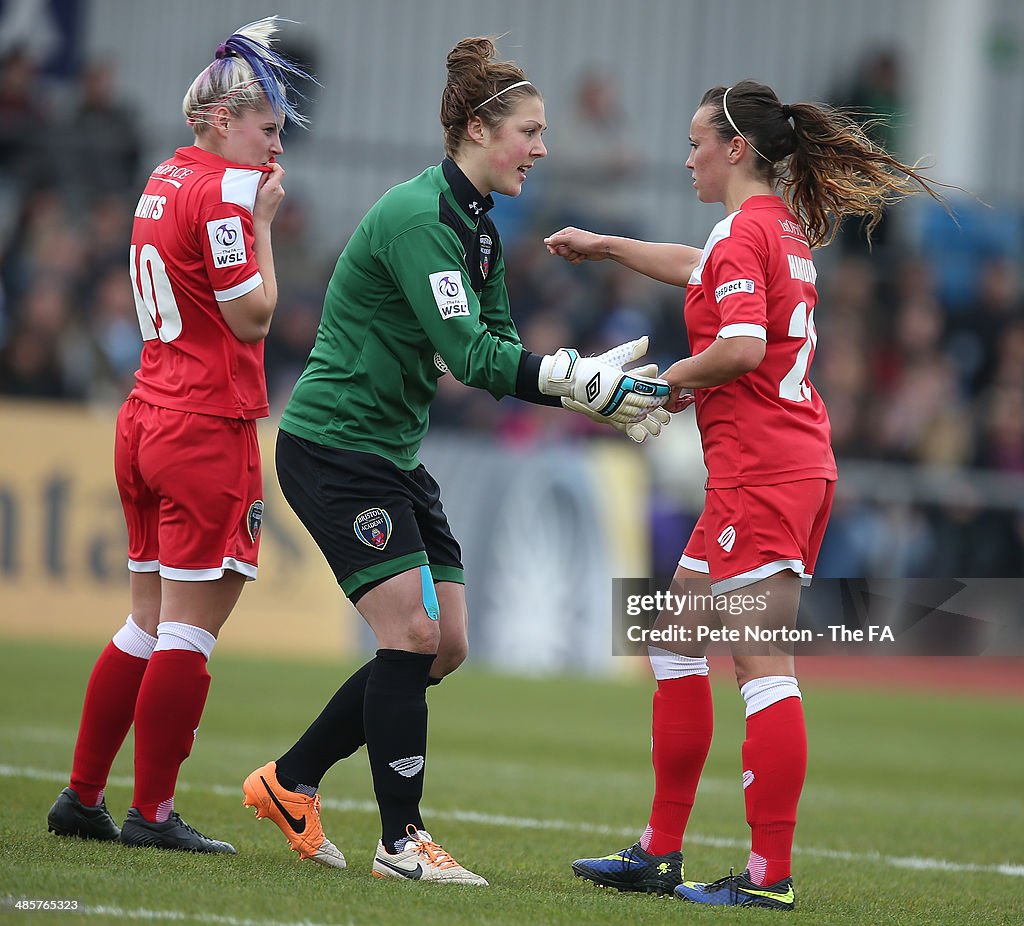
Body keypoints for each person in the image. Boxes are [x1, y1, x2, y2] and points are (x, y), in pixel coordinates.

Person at [240, 35, 671, 884]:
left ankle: (289, 780)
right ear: (480, 129)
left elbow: (498, 344)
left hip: (393, 452)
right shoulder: (417, 218)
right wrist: (575, 380)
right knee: (410, 631)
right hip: (335, 446)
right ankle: (402, 843)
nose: (542, 149)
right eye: (531, 131)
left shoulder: (475, 228)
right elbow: (474, 358)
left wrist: (582, 387)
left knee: (446, 646)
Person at [547, 79, 949, 909]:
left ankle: (768, 879)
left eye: (696, 140)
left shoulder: (743, 233)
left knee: (763, 666)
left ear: (735, 148)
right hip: (775, 469)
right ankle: (659, 853)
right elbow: (699, 271)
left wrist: (655, 386)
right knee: (671, 639)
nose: (687, 155)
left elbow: (736, 344)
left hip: (766, 475)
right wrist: (607, 245)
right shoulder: (775, 229)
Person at [46, 17, 311, 854]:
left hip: (146, 414)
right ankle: (151, 813)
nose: (275, 152)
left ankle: (83, 796)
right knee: (189, 630)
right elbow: (252, 314)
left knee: (143, 622)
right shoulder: (225, 196)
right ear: (222, 118)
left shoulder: (162, 176)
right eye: (268, 130)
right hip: (203, 425)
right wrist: (264, 221)